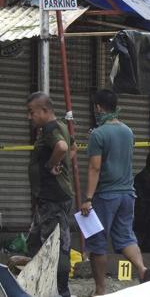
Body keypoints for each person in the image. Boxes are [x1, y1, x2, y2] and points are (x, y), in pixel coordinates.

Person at [80, 89, 150, 295]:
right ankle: (142, 269)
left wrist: (87, 198)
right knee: (126, 238)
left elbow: (95, 167)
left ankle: (100, 290)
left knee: (97, 242)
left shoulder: (98, 134)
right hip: (128, 194)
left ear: (98, 107)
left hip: (106, 195)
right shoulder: (128, 131)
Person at [25, 92, 76, 297]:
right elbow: (72, 147)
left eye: (32, 112)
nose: (30, 117)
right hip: (49, 197)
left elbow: (63, 147)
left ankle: (61, 290)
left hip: (54, 197)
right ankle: (37, 285)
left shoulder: (51, 128)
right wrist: (61, 164)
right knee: (36, 242)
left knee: (55, 245)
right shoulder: (62, 126)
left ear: (45, 111)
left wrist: (52, 164)